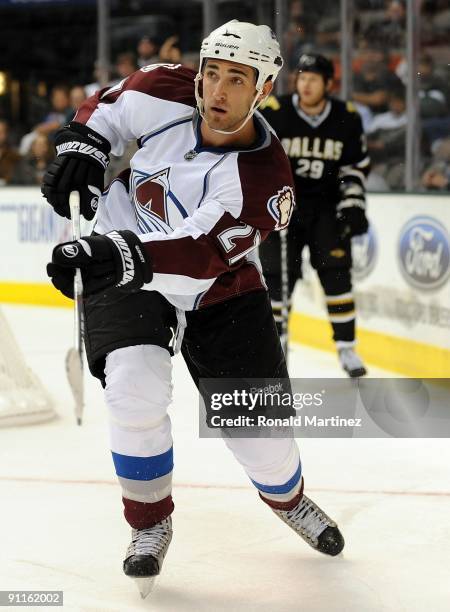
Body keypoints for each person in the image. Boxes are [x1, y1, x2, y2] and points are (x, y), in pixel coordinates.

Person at [41, 21, 344, 598]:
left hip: (217, 288)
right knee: (133, 390)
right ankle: (150, 522)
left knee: (262, 439)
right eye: (211, 73)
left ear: (264, 88)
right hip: (126, 256)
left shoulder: (266, 178)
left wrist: (114, 253)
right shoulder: (164, 88)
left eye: (237, 78)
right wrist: (82, 146)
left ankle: (289, 497)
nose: (218, 91)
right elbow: (105, 109)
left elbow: (200, 254)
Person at [260, 53, 370, 377]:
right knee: (277, 282)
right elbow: (258, 161)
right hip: (284, 211)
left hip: (326, 212)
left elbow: (354, 168)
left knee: (337, 277)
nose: (305, 84)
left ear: (328, 84)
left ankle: (347, 347)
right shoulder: (274, 113)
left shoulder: (346, 117)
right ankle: (275, 343)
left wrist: (352, 204)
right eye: (301, 77)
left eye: (313, 79)